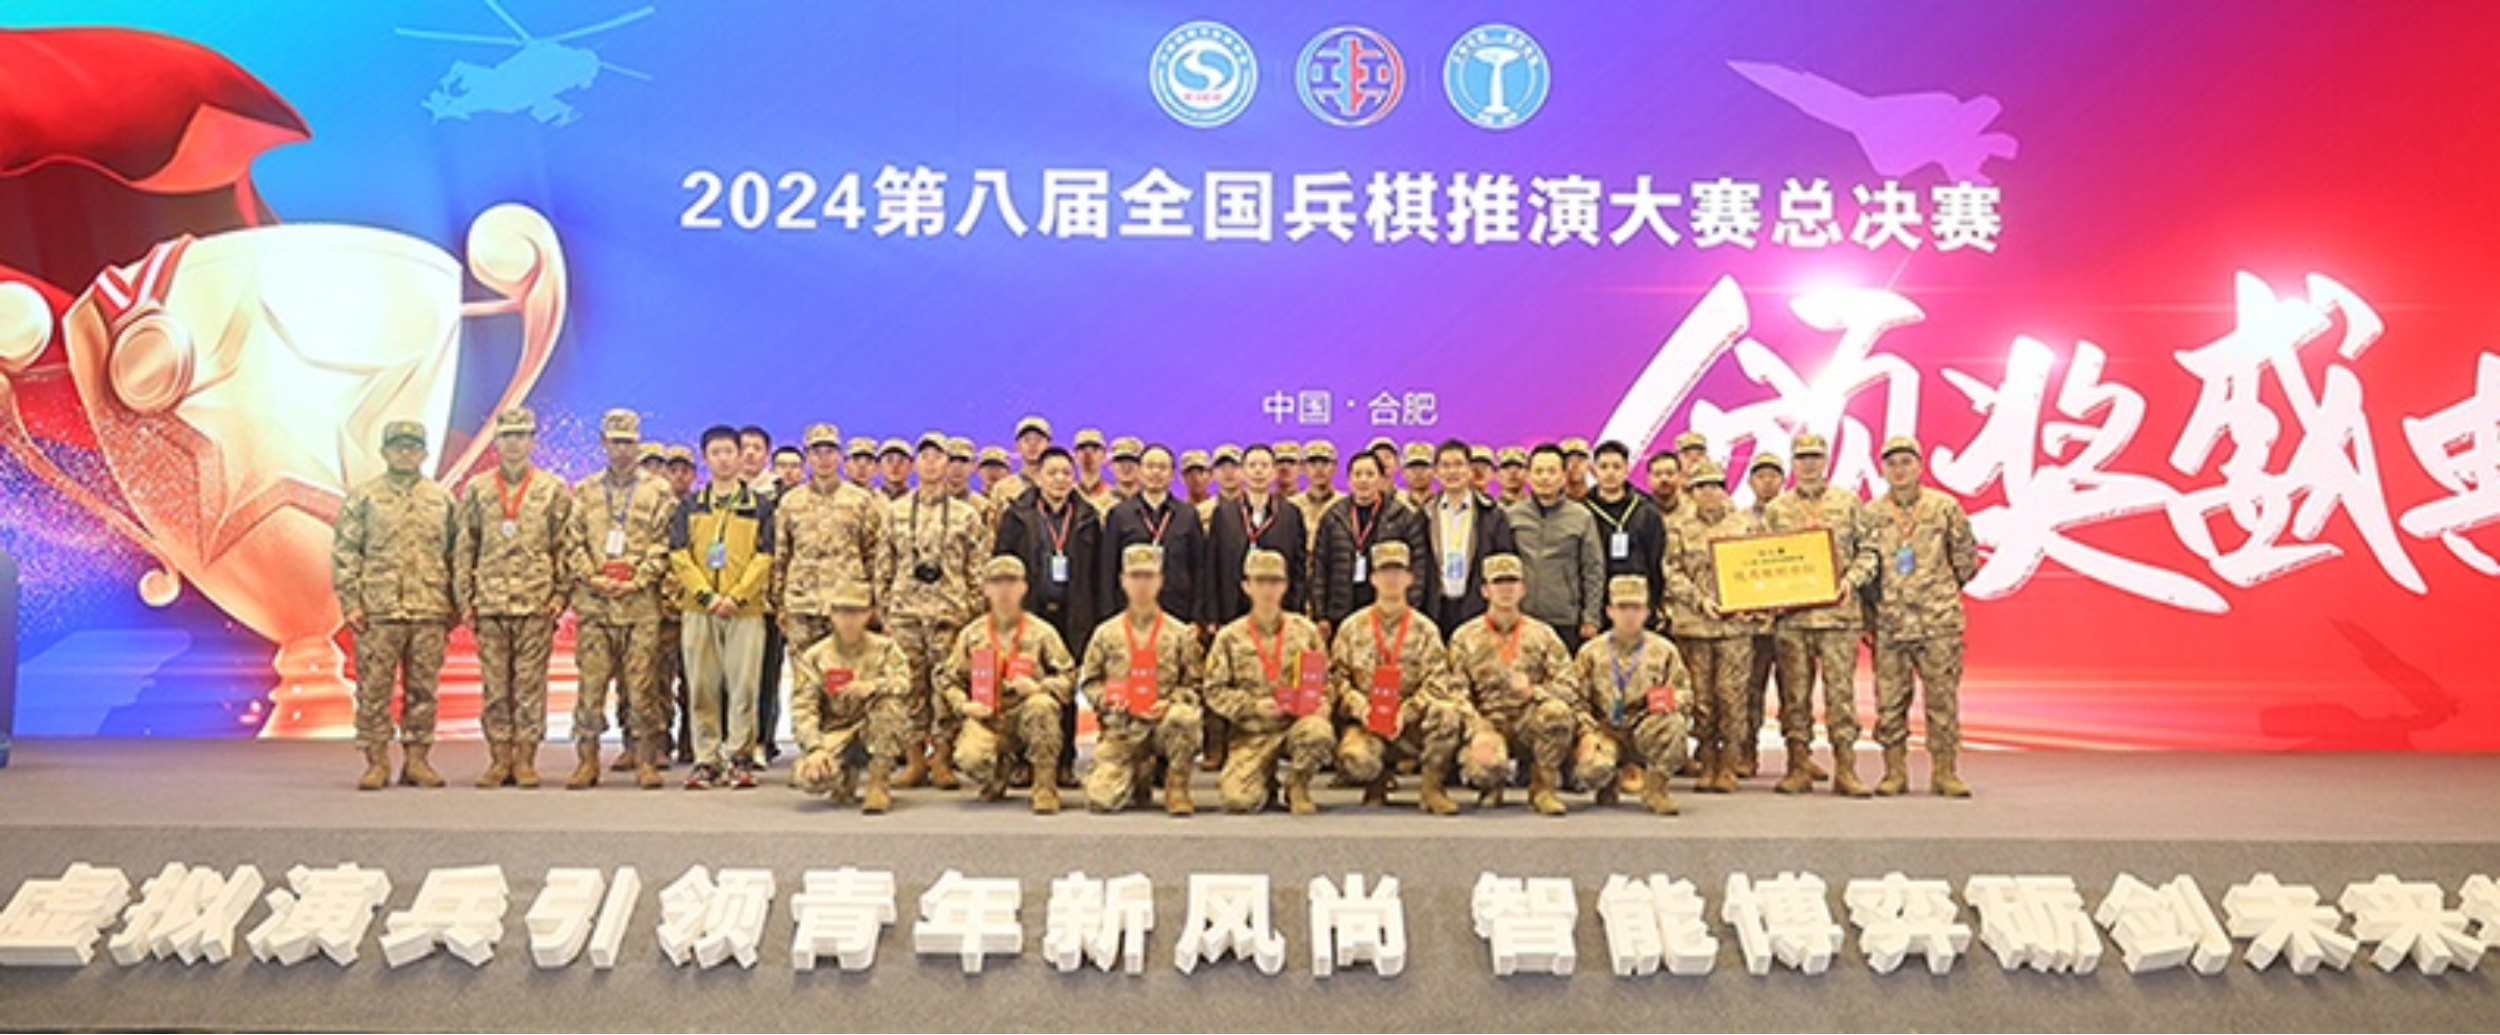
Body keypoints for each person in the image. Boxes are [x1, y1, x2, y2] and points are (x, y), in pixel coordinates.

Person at [332, 420, 458, 790]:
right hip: (378, 611)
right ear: (384, 451)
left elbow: (457, 555)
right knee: (374, 690)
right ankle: (377, 762)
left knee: (423, 690)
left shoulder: (442, 499)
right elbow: (346, 553)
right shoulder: (364, 498)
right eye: (399, 446)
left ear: (425, 453)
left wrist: (455, 604)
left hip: (429, 609)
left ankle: (417, 760)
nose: (406, 452)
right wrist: (351, 602)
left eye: (413, 446)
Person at [453, 406, 572, 790]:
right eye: (507, 436)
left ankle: (525, 760)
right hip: (490, 602)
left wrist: (560, 596)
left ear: (533, 441)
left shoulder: (552, 488)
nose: (514, 443)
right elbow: (465, 546)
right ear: (496, 441)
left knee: (531, 686)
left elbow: (564, 546)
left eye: (521, 435)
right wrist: (464, 599)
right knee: (495, 687)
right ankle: (499, 758)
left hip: (536, 603)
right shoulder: (478, 489)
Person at [1762, 432, 1879, 797]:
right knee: (1793, 696)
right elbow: (1760, 559)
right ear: (1793, 463)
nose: (1809, 464)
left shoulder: (1848, 503)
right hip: (1792, 619)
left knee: (1840, 695)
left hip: (1838, 616)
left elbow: (1870, 552)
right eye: (1802, 457)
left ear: (1825, 460)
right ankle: (1798, 766)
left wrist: (1850, 581)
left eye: (1815, 457)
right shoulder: (1777, 509)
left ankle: (1846, 768)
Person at [565, 408, 677, 790]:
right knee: (591, 686)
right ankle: (587, 760)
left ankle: (644, 758)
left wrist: (638, 579)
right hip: (595, 606)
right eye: (615, 442)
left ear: (638, 443)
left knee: (642, 687)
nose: (622, 449)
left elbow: (665, 543)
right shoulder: (585, 490)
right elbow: (572, 543)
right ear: (603, 442)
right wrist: (593, 577)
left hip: (640, 605)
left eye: (629, 442)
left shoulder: (657, 490)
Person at [878, 431, 991, 791]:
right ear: (915, 464)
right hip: (905, 613)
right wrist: (885, 614)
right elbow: (883, 566)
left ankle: (942, 758)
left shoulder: (967, 515)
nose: (930, 463)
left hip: (950, 613)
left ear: (947, 463)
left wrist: (974, 614)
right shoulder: (895, 512)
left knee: (947, 686)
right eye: (924, 456)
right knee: (908, 687)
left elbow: (978, 569)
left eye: (938, 457)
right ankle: (914, 759)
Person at [1868, 436, 1979, 798]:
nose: (1899, 470)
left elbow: (1965, 559)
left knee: (1942, 700)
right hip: (1891, 623)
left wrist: (1937, 593)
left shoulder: (1944, 507)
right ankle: (1894, 772)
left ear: (1919, 465)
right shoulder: (1871, 513)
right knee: (1889, 703)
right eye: (1891, 464)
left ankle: (1945, 772)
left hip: (1937, 622)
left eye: (1906, 462)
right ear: (1883, 469)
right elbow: (1864, 568)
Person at [669, 424, 776, 791]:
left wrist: (737, 596)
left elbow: (765, 556)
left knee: (744, 686)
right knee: (701, 686)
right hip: (700, 610)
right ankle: (706, 759)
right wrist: (707, 597)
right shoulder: (690, 506)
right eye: (716, 452)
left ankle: (740, 758)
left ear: (740, 456)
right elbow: (679, 555)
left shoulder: (760, 506)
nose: (724, 459)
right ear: (705, 458)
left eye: (730, 451)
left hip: (745, 611)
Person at [1326, 542, 1469, 814]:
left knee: (1447, 714)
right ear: (1373, 578)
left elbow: (1438, 683)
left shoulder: (1425, 630)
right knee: (1357, 760)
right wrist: (1362, 709)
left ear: (1409, 578)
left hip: (1410, 723)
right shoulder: (1352, 628)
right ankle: (1376, 783)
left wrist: (1407, 712)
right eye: (1384, 572)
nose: (1391, 579)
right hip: (1367, 721)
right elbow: (1338, 681)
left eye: (1398, 572)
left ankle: (1432, 788)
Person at [994, 446, 1108, 783]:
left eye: (1065, 473)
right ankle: (1024, 759)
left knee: (1065, 685)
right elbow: (1002, 564)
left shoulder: (1088, 518)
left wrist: (1098, 616)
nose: (1059, 479)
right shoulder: (1017, 515)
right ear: (1038, 477)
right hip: (1030, 612)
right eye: (1052, 473)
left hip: (1075, 613)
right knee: (1023, 682)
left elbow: (1099, 573)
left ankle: (1064, 762)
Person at [1661, 460, 1770, 794]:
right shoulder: (1678, 528)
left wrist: (1754, 602)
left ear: (1725, 489)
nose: (1708, 492)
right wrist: (1699, 601)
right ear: (1691, 491)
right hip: (1695, 627)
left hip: (1735, 628)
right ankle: (1707, 761)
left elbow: (1763, 568)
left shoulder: (1746, 526)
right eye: (1701, 486)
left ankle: (1729, 764)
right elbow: (1671, 572)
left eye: (1715, 485)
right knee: (1701, 699)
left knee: (1732, 696)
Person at [937, 556, 1077, 813]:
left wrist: (1039, 687)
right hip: (987, 716)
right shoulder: (972, 634)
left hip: (1025, 714)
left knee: (1042, 707)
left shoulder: (1042, 632)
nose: (1004, 590)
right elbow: (947, 680)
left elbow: (1069, 678)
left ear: (1024, 587)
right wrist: (964, 705)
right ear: (985, 588)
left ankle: (1044, 786)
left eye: (1012, 582)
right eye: (996, 582)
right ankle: (998, 771)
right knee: (969, 758)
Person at [1201, 549, 1335, 814]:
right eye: (1260, 581)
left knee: (1318, 731)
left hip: (1296, 725)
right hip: (1252, 733)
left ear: (1285, 585)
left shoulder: (1305, 632)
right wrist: (1251, 706)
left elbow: (1326, 680)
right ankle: (1266, 780)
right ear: (1246, 586)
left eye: (1274, 581)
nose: (1267, 589)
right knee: (1239, 802)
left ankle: (1297, 785)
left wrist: (1324, 703)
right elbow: (1213, 690)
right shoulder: (1230, 636)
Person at [1446, 554, 1580, 816]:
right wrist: (1477, 729)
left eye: (1512, 582)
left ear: (1523, 589)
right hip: (1488, 722)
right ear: (1485, 590)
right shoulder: (1465, 637)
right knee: (1483, 766)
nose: (1506, 590)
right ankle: (1491, 785)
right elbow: (1454, 693)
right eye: (1498, 583)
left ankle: (1543, 788)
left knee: (1558, 713)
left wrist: (1534, 691)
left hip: (1529, 721)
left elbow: (1569, 687)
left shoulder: (1543, 634)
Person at [1078, 544, 1207, 815]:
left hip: (1163, 724)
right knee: (1101, 801)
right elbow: (1089, 682)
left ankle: (1177, 786)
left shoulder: (1179, 633)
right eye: (1135, 576)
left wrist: (1171, 702)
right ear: (1123, 581)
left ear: (1160, 581)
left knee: (1184, 718)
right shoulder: (1106, 633)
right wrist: (1109, 699)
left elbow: (1195, 686)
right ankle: (1139, 773)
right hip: (1122, 728)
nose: (1142, 584)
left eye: (1148, 576)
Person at [788, 580, 913, 813]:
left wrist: (873, 686)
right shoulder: (815, 656)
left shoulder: (885, 648)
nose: (849, 619)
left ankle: (878, 782)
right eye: (842, 612)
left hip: (874, 727)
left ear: (869, 614)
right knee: (809, 779)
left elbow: (904, 683)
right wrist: (814, 748)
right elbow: (803, 707)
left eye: (857, 612)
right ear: (831, 614)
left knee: (890, 706)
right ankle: (845, 776)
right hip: (836, 731)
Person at [1571, 576, 1692, 815]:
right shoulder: (1591, 652)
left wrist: (1670, 703)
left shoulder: (1663, 650)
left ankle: (1655, 789)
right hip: (1606, 729)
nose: (1629, 615)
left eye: (1636, 608)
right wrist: (1586, 733)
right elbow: (1575, 699)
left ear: (1647, 612)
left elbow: (1684, 691)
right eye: (1622, 608)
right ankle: (1607, 782)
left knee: (1674, 726)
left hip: (1645, 726)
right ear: (1610, 611)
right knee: (1591, 768)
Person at [772, 423, 888, 662]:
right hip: (803, 605)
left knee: (844, 675)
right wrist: (779, 604)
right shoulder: (790, 502)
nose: (823, 459)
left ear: (840, 456)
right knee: (805, 675)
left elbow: (873, 555)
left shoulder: (860, 501)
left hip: (847, 604)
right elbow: (781, 556)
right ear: (807, 457)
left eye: (830, 451)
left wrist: (875, 603)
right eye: (817, 452)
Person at [1310, 451, 1426, 638]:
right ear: (1349, 480)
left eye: (1370, 474)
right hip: (1340, 611)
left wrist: (1410, 608)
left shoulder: (1402, 516)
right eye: (1357, 474)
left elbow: (1418, 565)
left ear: (1381, 479)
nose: (1363, 480)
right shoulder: (1333, 517)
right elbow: (1319, 568)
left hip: (1388, 611)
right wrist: (1320, 614)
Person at [1505, 444, 1605, 655]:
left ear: (1563, 476)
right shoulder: (1512, 515)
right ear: (1528, 475)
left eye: (1552, 471)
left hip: (1565, 618)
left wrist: (1591, 617)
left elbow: (1593, 569)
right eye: (1538, 471)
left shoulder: (1581, 516)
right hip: (1521, 617)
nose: (1545, 477)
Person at [1728, 450, 1790, 779]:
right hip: (1752, 623)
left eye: (1773, 475)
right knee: (1750, 690)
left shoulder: (1797, 518)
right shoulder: (1737, 521)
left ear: (1783, 480)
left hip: (1792, 619)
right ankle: (1746, 752)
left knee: (1795, 690)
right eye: (1761, 475)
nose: (1767, 482)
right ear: (1750, 481)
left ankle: (1799, 756)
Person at [1202, 444, 1310, 624]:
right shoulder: (1224, 513)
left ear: (1274, 472)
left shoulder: (1290, 513)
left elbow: (1299, 567)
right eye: (1252, 466)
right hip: (1232, 606)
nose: (1258, 471)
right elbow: (1213, 565)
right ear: (1242, 472)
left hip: (1280, 606)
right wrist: (1213, 616)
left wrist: (1297, 608)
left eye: (1264, 465)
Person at [1420, 439, 1517, 634]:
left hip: (1479, 608)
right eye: (1445, 465)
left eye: (1458, 464)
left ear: (1470, 469)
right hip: (1436, 608)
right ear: (1436, 472)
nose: (1452, 471)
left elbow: (1504, 561)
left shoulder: (1492, 514)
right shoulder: (1424, 515)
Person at [1102, 444, 1205, 626]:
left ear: (1172, 474)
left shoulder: (1188, 515)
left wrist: (1197, 617)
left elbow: (1199, 568)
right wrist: (1109, 615)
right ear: (1140, 471)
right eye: (1150, 466)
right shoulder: (1119, 514)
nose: (1156, 472)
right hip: (1129, 613)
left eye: (1162, 467)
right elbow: (1108, 570)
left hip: (1178, 612)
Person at [1586, 440, 1667, 620]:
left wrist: (1654, 604)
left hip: (1640, 602)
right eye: (1603, 467)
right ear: (1593, 470)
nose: (1610, 473)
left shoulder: (1647, 510)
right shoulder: (1583, 511)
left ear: (1627, 469)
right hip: (1598, 605)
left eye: (1616, 467)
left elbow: (1656, 561)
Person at [661, 445, 698, 763]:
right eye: (673, 470)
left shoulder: (701, 508)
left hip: (693, 605)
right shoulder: (653, 508)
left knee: (695, 678)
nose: (679, 476)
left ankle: (691, 739)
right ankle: (659, 740)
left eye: (685, 470)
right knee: (658, 678)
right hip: (659, 608)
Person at [1195, 443, 1242, 526]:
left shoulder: (1256, 508)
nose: (1228, 472)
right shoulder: (1201, 512)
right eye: (1222, 467)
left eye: (1234, 466)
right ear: (1212, 473)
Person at [1071, 427, 1114, 512]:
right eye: (1082, 448)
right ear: (1074, 456)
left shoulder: (1116, 497)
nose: (1088, 453)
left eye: (1095, 449)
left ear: (1104, 456)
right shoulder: (1066, 495)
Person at [737, 426, 776, 499]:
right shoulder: (720, 486)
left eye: (757, 448)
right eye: (744, 447)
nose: (750, 453)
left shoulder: (778, 487)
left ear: (767, 454)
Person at [1107, 436, 1145, 506]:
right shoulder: (1098, 502)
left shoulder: (1153, 501)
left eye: (1132, 460)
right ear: (1110, 465)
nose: (1126, 467)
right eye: (1120, 460)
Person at [1399, 442, 1437, 511]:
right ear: (1403, 472)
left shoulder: (1444, 506)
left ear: (1435, 471)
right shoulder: (1393, 507)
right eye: (1412, 466)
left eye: (1424, 466)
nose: (1418, 472)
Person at [876, 438, 913, 502]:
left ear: (911, 467)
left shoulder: (919, 499)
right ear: (879, 466)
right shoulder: (868, 498)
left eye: (901, 461)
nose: (895, 465)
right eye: (889, 460)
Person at [1560, 437, 1593, 502]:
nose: (1575, 465)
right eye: (1569, 460)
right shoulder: (1552, 500)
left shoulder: (1600, 499)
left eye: (1580, 460)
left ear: (1589, 465)